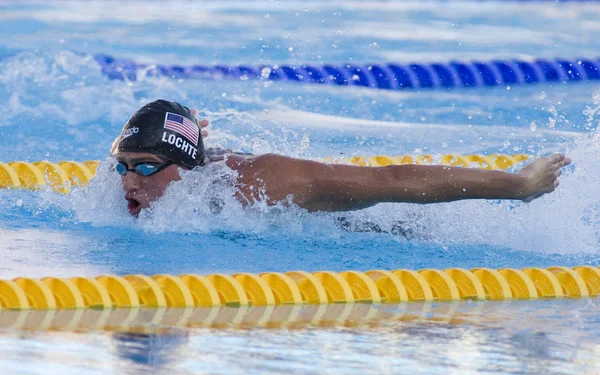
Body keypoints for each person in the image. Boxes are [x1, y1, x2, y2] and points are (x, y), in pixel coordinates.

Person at [111, 99, 571, 217]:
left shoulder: (262, 183)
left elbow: (390, 181)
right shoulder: (137, 180)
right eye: (124, 167)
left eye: (147, 167)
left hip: (365, 223)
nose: (129, 182)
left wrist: (518, 185)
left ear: (187, 167)